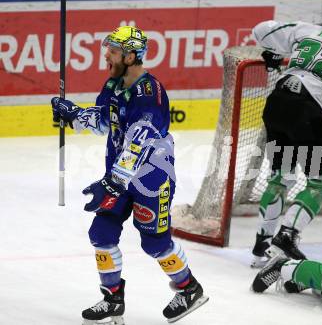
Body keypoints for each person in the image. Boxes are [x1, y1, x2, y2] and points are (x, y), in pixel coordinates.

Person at [51, 25, 208, 324]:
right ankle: (113, 299)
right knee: (101, 233)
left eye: (113, 51)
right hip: (121, 177)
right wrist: (73, 114)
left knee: (155, 243)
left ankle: (190, 289)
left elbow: (140, 141)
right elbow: (103, 121)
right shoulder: (112, 86)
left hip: (151, 180)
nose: (106, 55)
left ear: (131, 56)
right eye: (107, 48)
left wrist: (112, 181)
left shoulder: (149, 94)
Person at [250, 0, 322, 267]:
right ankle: (287, 235)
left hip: (277, 102)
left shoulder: (304, 29)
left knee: (280, 177)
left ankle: (261, 245)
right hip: (307, 111)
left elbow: (261, 31)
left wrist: (275, 51)